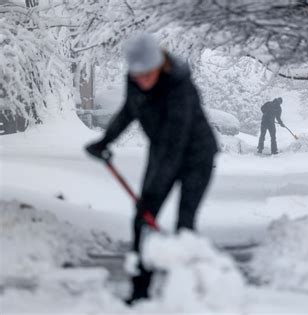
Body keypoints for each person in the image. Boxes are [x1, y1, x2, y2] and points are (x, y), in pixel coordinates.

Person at [85, 32, 218, 304]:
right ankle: (140, 291)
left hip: (197, 157)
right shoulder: (135, 81)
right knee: (141, 221)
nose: (142, 80)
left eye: (148, 74)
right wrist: (105, 141)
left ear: (159, 66)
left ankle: (188, 293)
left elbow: (175, 141)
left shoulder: (180, 87)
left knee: (185, 223)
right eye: (137, 75)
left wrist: (153, 189)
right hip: (162, 150)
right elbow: (128, 112)